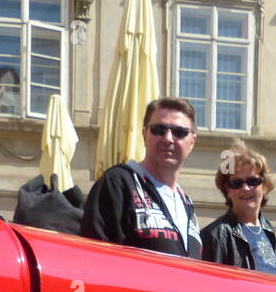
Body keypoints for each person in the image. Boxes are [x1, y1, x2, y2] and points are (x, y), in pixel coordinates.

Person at [81, 97, 201, 258]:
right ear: (145, 134)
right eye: (159, 130)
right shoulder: (119, 183)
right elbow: (94, 256)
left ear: (192, 141)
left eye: (179, 132)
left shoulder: (186, 203)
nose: (168, 138)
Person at [199, 139, 276, 277]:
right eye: (236, 183)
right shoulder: (216, 235)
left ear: (264, 186)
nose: (246, 188)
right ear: (227, 190)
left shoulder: (269, 232)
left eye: (253, 181)